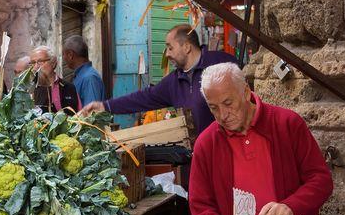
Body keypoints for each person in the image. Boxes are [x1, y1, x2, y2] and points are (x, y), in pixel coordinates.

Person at [188, 63, 333, 215]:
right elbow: (200, 203)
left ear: (246, 92)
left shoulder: (287, 124)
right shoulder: (206, 143)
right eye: (214, 108)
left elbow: (321, 180)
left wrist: (290, 206)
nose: (222, 115)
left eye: (228, 103)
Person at [81, 24, 238, 135]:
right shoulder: (174, 81)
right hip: (198, 158)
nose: (167, 54)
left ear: (187, 47)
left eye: (170, 48)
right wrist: (105, 106)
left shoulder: (221, 63)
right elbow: (144, 98)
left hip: (230, 153)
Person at [30, 45, 81, 113]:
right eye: (33, 63)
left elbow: (79, 116)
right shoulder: (29, 89)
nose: (36, 67)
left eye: (41, 61)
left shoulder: (69, 87)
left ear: (53, 62)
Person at [63, 35, 105, 105]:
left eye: (63, 54)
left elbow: (92, 113)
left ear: (70, 55)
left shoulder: (89, 78)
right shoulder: (81, 76)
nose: (63, 58)